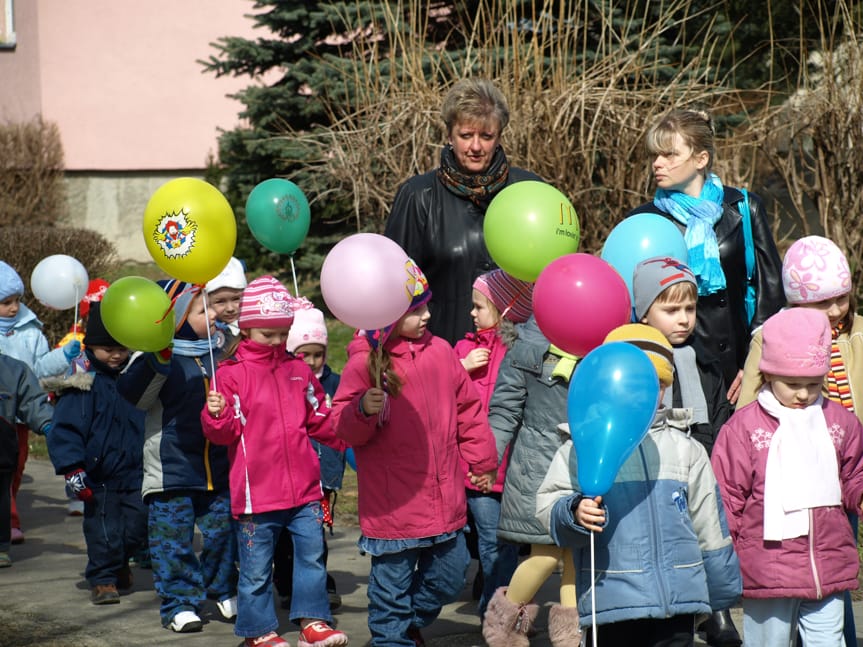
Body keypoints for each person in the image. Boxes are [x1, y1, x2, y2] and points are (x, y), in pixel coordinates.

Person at [535, 324, 743, 647]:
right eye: (633, 380)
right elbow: (550, 503)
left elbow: (709, 526)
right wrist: (574, 512)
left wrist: (720, 597)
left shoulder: (686, 448)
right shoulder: (581, 445)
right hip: (612, 601)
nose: (646, 391)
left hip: (678, 602)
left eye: (658, 382)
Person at [331, 260, 498, 647]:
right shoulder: (366, 364)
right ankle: (391, 638)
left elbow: (469, 411)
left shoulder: (441, 352)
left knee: (451, 575)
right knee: (390, 590)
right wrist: (363, 411)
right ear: (386, 317)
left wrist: (482, 461)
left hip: (445, 500)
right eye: (415, 310)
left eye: (426, 306)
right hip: (394, 508)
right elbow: (342, 425)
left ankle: (406, 625)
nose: (426, 315)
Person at [202, 276, 348, 647]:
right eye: (269, 334)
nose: (278, 342)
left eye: (284, 333)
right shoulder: (232, 374)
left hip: (304, 488)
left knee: (312, 559)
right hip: (257, 495)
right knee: (255, 570)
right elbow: (223, 434)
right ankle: (258, 631)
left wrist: (354, 428)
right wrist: (215, 414)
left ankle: (313, 621)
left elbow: (320, 421)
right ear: (247, 328)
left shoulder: (298, 370)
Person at [736, 235, 863, 646]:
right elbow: (748, 404)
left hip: (842, 466)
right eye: (822, 303)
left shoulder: (857, 334)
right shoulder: (772, 337)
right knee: (786, 582)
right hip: (788, 475)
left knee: (834, 567)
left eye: (841, 299)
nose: (834, 310)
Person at [626, 109, 784, 406]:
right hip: (674, 368)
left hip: (739, 366)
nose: (657, 163)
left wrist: (754, 365)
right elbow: (632, 304)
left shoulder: (742, 208)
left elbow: (771, 294)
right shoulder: (644, 221)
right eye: (655, 155)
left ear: (701, 159)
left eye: (670, 154)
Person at [117, 279, 238, 634]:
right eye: (205, 310)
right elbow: (135, 396)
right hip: (171, 470)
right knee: (173, 540)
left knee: (222, 534)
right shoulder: (158, 355)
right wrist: (159, 359)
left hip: (218, 468)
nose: (216, 314)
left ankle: (224, 589)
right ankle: (179, 603)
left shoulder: (223, 351)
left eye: (213, 306)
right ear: (179, 319)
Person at [384, 77, 543, 345]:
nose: (476, 147)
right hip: (445, 357)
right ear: (449, 136)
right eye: (466, 135)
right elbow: (392, 287)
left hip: (519, 361)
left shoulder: (530, 190)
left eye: (486, 136)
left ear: (500, 136)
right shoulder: (418, 196)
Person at [632, 256, 739, 644]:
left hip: (700, 466)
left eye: (690, 308)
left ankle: (717, 611)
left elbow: (718, 414)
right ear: (644, 313)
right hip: (654, 472)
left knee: (709, 539)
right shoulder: (634, 360)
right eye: (671, 309)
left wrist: (711, 456)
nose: (683, 319)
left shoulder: (705, 361)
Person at [481, 312, 580, 647]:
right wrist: (487, 460)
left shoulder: (604, 337)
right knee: (546, 554)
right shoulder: (528, 346)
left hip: (587, 461)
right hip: (539, 465)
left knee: (575, 557)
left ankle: (572, 637)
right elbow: (506, 409)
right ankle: (501, 627)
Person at [44, 303, 147, 605]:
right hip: (97, 474)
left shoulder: (134, 378)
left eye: (122, 348)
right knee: (103, 529)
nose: (116, 355)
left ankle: (119, 564)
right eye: (107, 349)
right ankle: (103, 579)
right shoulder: (82, 382)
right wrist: (73, 468)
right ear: (91, 347)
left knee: (137, 526)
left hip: (134, 470)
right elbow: (65, 429)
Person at [452, 268, 533, 622]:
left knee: (507, 544)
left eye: (479, 306)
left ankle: (499, 607)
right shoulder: (464, 348)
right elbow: (439, 388)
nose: (472, 313)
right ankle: (495, 611)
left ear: (504, 308)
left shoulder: (519, 350)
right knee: (491, 542)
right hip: (477, 468)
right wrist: (462, 367)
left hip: (512, 467)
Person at [0, 260, 80, 544]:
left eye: (16, 301)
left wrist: (63, 356)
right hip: (1, 412)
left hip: (22, 413)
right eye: (5, 302)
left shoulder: (31, 331)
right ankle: (9, 521)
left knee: (16, 465)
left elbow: (41, 367)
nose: (13, 308)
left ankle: (8, 510)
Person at [275, 300, 345, 612]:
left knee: (315, 536)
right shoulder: (285, 381)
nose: (314, 361)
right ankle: (287, 582)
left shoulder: (335, 382)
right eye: (306, 354)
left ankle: (318, 586)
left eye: (319, 354)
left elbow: (343, 424)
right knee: (284, 538)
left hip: (323, 478)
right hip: (288, 476)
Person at [49, 277, 111, 517]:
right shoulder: (71, 341)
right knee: (74, 453)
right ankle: (74, 494)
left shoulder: (119, 342)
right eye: (92, 312)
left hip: (101, 408)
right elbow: (53, 375)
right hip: (77, 405)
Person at [0, 353, 53, 567]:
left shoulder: (12, 370)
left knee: (2, 499)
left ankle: (1, 545)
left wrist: (50, 425)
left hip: (1, 450)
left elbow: (33, 403)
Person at [204, 256, 247, 361]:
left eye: (236, 299)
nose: (230, 308)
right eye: (220, 302)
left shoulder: (254, 326)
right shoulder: (207, 331)